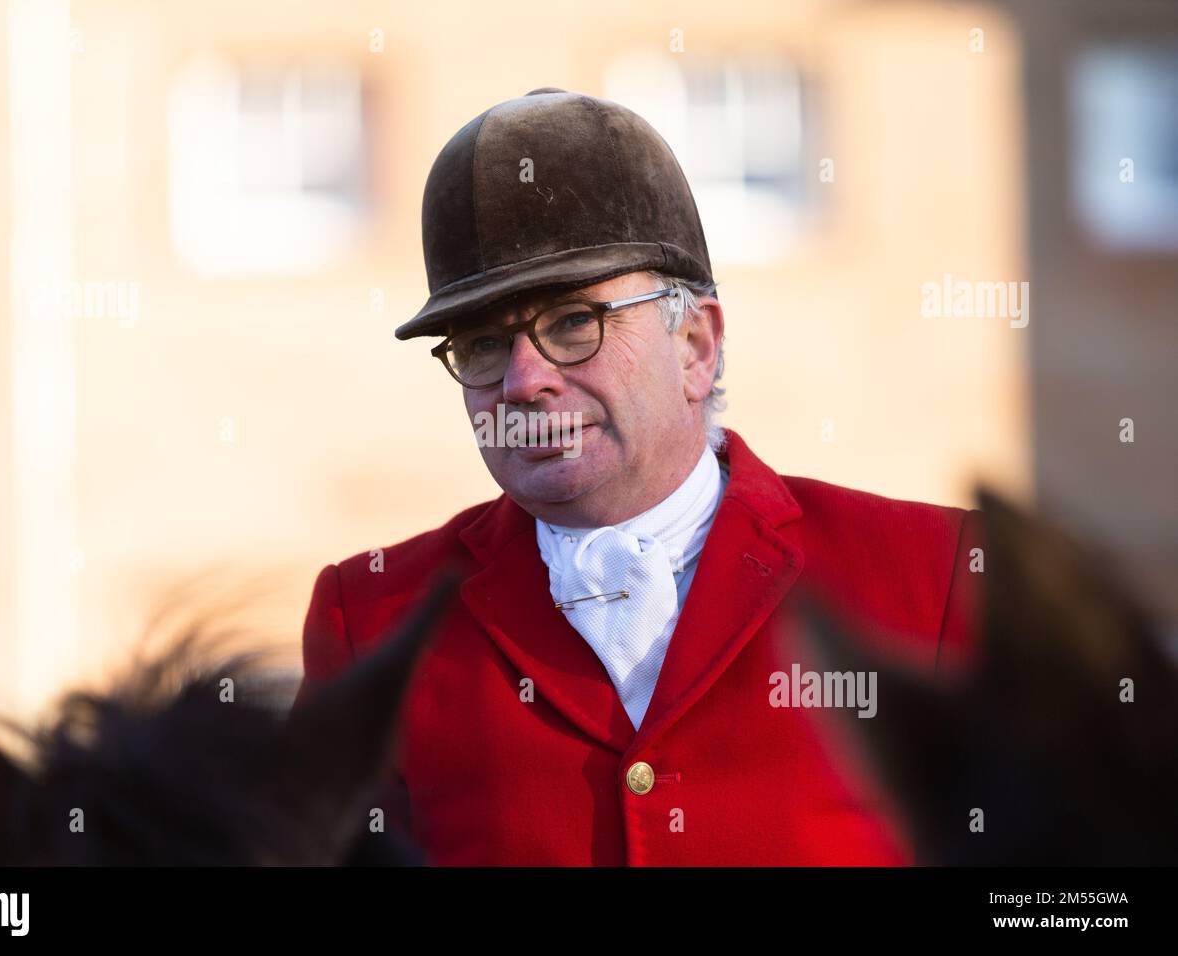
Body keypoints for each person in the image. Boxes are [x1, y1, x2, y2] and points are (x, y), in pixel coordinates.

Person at [293, 88, 981, 865]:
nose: (523, 381)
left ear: (694, 344)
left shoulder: (936, 577)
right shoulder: (370, 619)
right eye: (482, 343)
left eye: (572, 323)